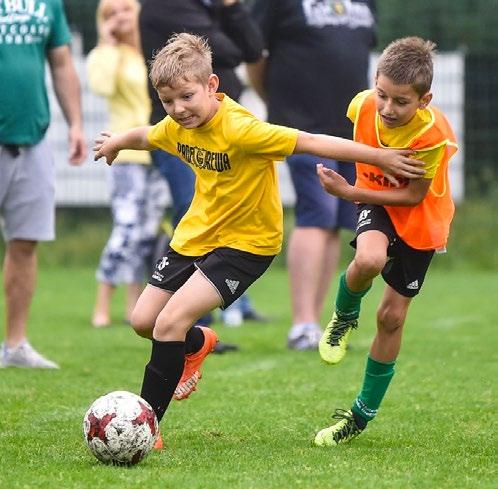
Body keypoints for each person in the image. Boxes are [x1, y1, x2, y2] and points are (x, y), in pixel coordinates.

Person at [93, 33, 426, 430]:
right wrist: (115, 142)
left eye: (186, 97)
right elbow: (145, 136)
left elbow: (312, 142)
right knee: (144, 321)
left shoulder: (242, 130)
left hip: (247, 244)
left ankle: (145, 426)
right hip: (196, 235)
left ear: (212, 86)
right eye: (168, 101)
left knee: (168, 324)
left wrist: (379, 156)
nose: (178, 110)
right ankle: (197, 345)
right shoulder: (176, 125)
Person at [313, 37, 458, 446]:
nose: (388, 109)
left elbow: (413, 195)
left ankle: (359, 417)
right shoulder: (362, 105)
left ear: (424, 100)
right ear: (373, 84)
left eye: (401, 101)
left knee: (391, 319)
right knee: (370, 259)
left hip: (420, 219)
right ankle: (343, 317)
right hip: (375, 202)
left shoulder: (434, 136)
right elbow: (349, 142)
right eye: (382, 96)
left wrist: (350, 193)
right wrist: (362, 175)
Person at [248, 0, 377, 350]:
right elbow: (253, 54)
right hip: (301, 128)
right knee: (316, 214)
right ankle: (301, 323)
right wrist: (277, 104)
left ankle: (316, 323)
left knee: (336, 221)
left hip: (352, 133)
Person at [139, 0, 266, 329]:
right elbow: (230, 51)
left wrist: (232, 7)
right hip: (182, 136)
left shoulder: (214, 9)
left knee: (228, 211)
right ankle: (191, 318)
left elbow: (252, 48)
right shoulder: (166, 7)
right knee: (190, 210)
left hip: (219, 132)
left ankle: (221, 306)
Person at [0, 0, 86, 369]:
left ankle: (15, 345)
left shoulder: (48, 4)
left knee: (25, 241)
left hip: (32, 137)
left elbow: (62, 62)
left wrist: (77, 124)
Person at [87, 0, 166, 328]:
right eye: (110, 13)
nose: (120, 17)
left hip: (159, 151)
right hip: (125, 157)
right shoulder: (107, 56)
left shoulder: (152, 51)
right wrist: (107, 44)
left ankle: (135, 304)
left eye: (125, 9)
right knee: (126, 229)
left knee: (148, 234)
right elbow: (101, 86)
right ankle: (102, 303)